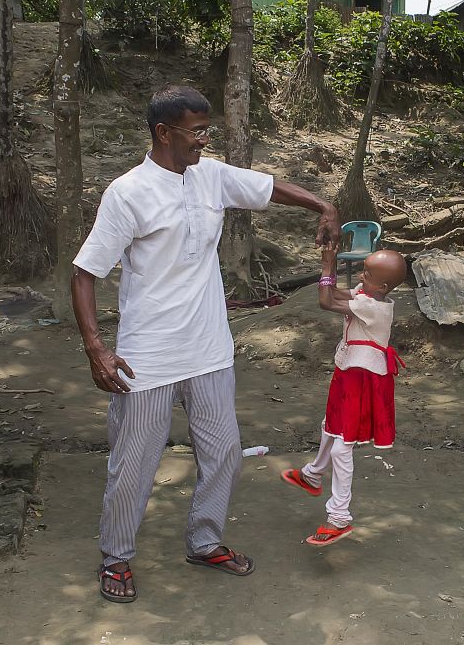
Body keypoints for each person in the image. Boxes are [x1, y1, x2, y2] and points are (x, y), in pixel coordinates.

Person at [71, 85, 340, 603]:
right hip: (146, 357)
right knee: (135, 462)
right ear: (163, 132)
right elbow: (85, 273)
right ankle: (117, 556)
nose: (203, 139)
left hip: (209, 349)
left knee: (225, 453)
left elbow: (268, 189)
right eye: (195, 130)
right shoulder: (128, 193)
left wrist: (321, 205)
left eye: (206, 129)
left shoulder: (210, 176)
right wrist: (96, 349)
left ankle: (204, 539)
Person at [280, 246, 407, 546]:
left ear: (384, 287)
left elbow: (327, 301)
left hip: (362, 379)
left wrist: (326, 266)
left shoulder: (376, 308)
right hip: (349, 370)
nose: (362, 277)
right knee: (330, 426)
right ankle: (313, 474)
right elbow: (338, 295)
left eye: (368, 274)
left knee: (341, 447)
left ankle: (339, 518)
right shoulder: (369, 294)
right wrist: (331, 273)